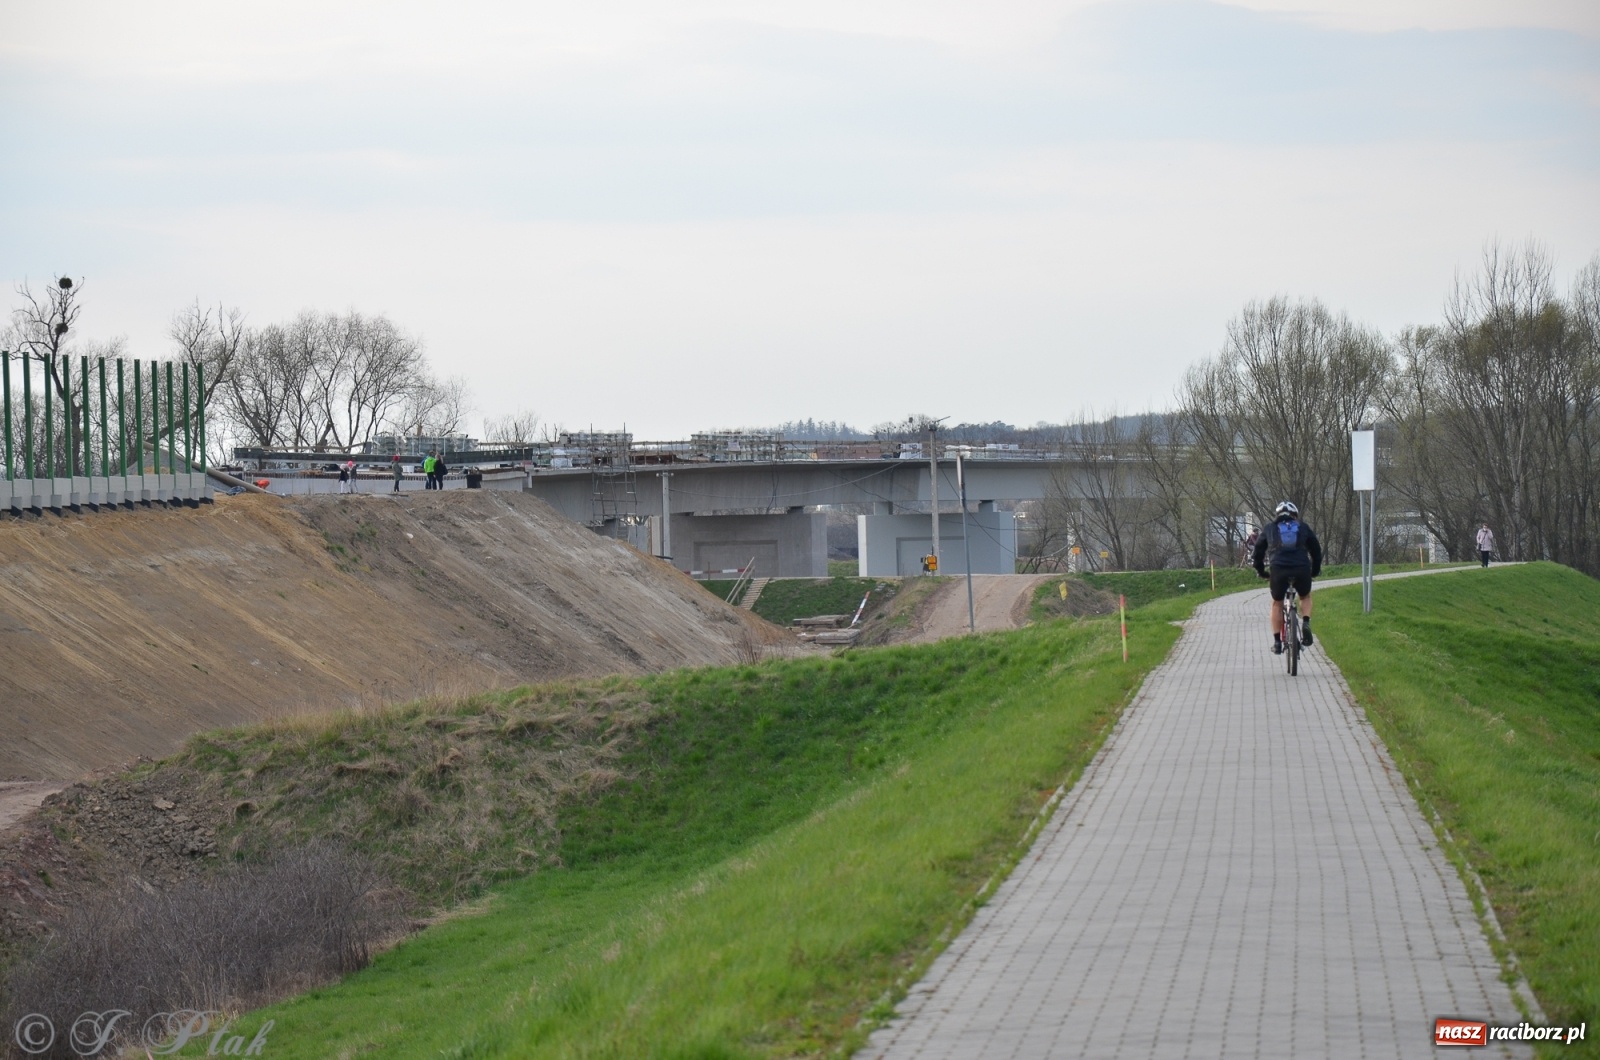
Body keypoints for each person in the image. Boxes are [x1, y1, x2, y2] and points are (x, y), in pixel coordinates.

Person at [1252, 500, 1323, 654]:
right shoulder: (1303, 527)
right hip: (1301, 568)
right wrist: (1315, 571)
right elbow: (1316, 551)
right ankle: (1305, 622)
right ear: (1295, 515)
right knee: (1305, 596)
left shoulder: (1270, 528)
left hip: (1278, 569)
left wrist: (1261, 571)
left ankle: (1277, 643)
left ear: (1277, 515)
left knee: (1277, 603)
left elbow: (1257, 552)